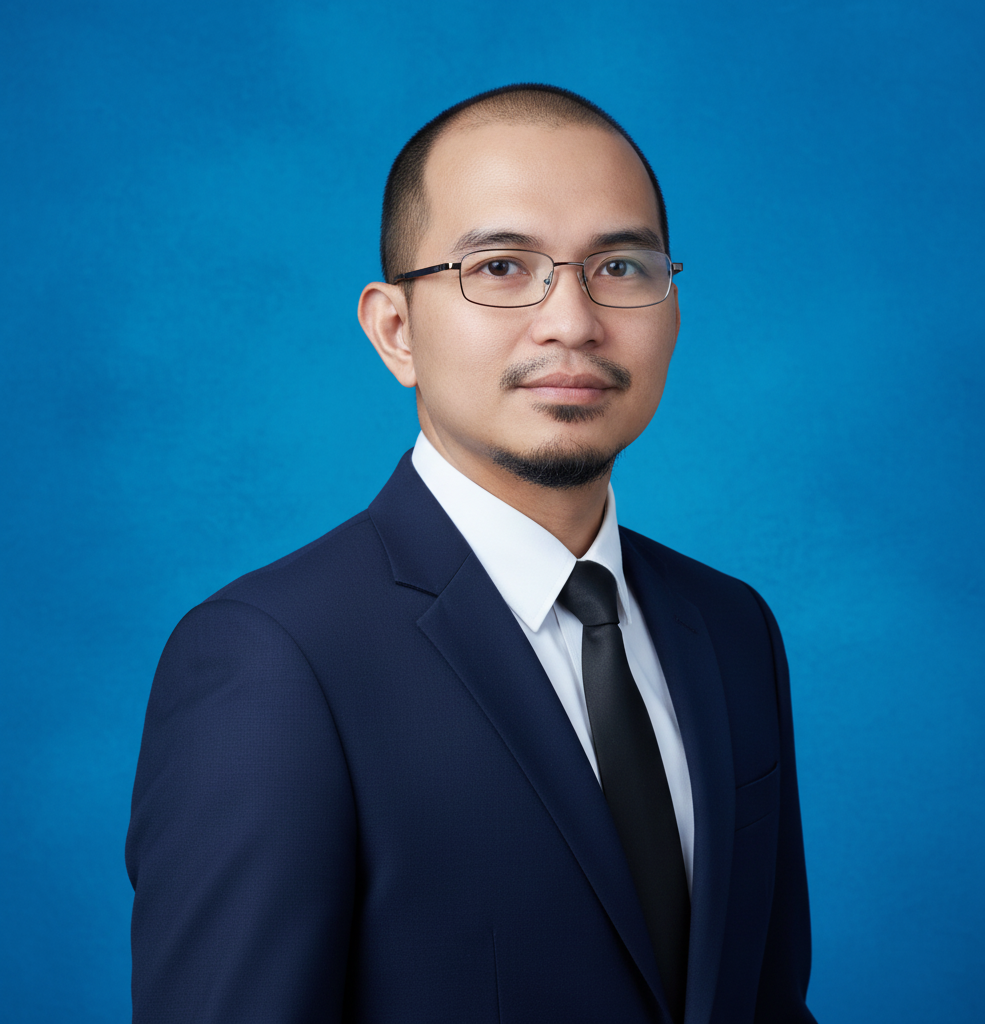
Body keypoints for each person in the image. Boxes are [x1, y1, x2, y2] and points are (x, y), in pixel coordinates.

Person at [126, 84, 816, 1024]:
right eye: (499, 266)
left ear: (673, 308)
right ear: (396, 331)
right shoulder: (272, 660)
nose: (571, 321)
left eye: (619, 264)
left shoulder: (732, 627)